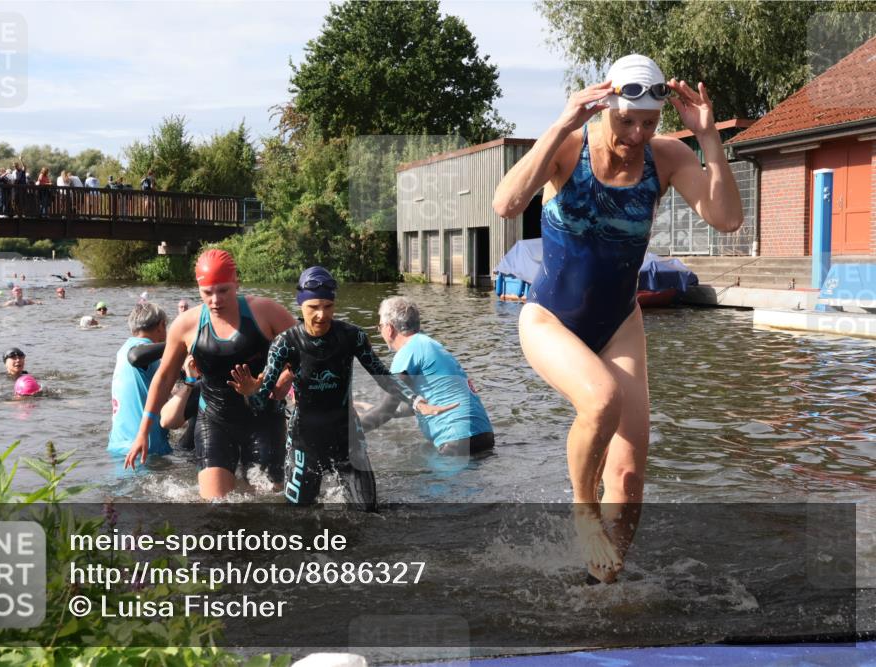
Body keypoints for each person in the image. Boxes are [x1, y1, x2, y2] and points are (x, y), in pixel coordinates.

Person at [491, 54, 743, 584]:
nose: (635, 133)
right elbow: (506, 204)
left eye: (648, 122)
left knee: (628, 476)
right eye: (626, 120)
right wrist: (562, 121)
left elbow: (726, 219)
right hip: (549, 318)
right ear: (605, 105)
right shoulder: (569, 148)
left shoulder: (668, 157)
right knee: (601, 399)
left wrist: (709, 139)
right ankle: (584, 515)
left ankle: (605, 587)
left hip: (619, 322)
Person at [228, 267, 456, 511]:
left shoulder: (352, 336)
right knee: (299, 519)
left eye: (327, 306)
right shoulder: (285, 344)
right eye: (313, 307)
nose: (320, 315)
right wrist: (252, 393)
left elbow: (383, 376)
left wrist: (416, 401)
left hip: (347, 437)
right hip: (305, 441)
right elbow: (261, 405)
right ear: (300, 305)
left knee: (368, 514)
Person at [123, 249, 298, 500]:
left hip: (264, 420)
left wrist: (282, 379)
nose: (215, 300)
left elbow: (306, 352)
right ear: (198, 288)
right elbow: (163, 379)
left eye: (223, 290)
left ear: (236, 282)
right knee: (216, 508)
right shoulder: (186, 325)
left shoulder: (266, 312)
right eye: (207, 292)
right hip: (216, 421)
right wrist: (143, 432)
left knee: (268, 506)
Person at [359, 296, 494, 457]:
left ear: (389, 328)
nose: (380, 331)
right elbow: (416, 404)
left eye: (379, 327)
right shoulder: (430, 345)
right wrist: (376, 410)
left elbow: (387, 409)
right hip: (484, 436)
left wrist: (347, 432)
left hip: (456, 441)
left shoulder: (407, 352)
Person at [108, 303, 171, 458]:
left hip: (120, 444)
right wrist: (177, 343)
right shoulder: (138, 349)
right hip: (143, 448)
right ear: (161, 325)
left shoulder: (123, 349)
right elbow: (136, 357)